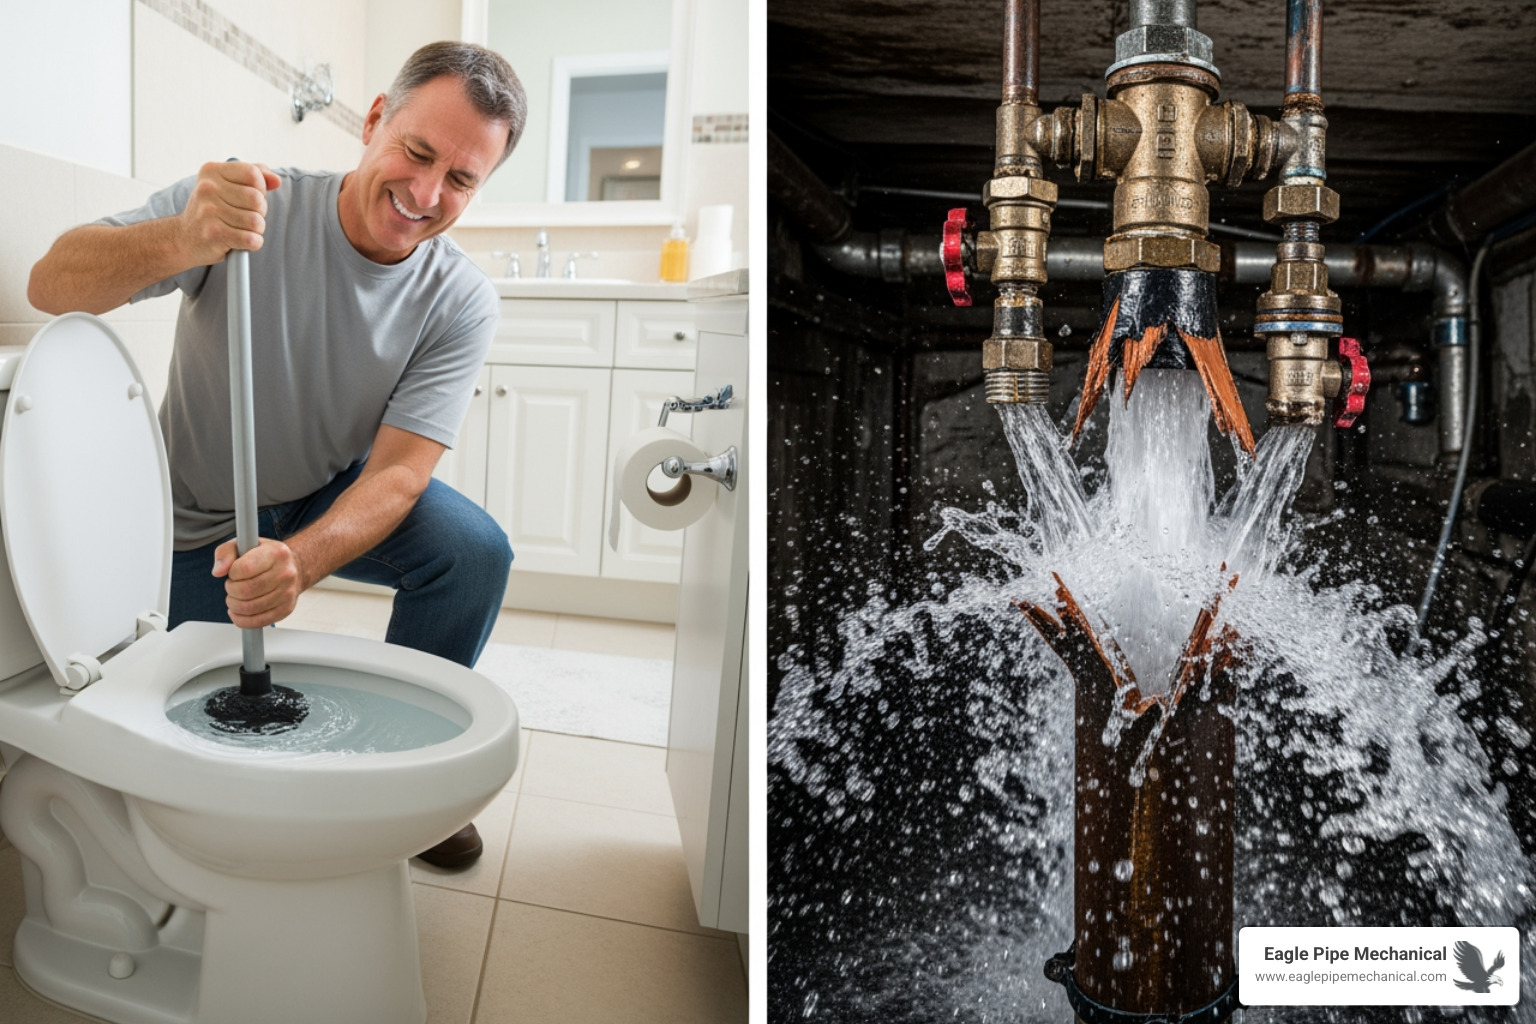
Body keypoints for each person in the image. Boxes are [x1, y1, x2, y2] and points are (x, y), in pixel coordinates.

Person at [27, 42, 528, 870]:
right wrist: (184, 237)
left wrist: (301, 558)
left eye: (463, 180)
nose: (428, 194)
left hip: (328, 489)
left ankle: (400, 782)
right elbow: (51, 285)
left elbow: (401, 472)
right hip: (196, 514)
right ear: (375, 121)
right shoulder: (249, 206)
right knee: (183, 731)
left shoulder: (460, 298)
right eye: (417, 151)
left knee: (473, 556)